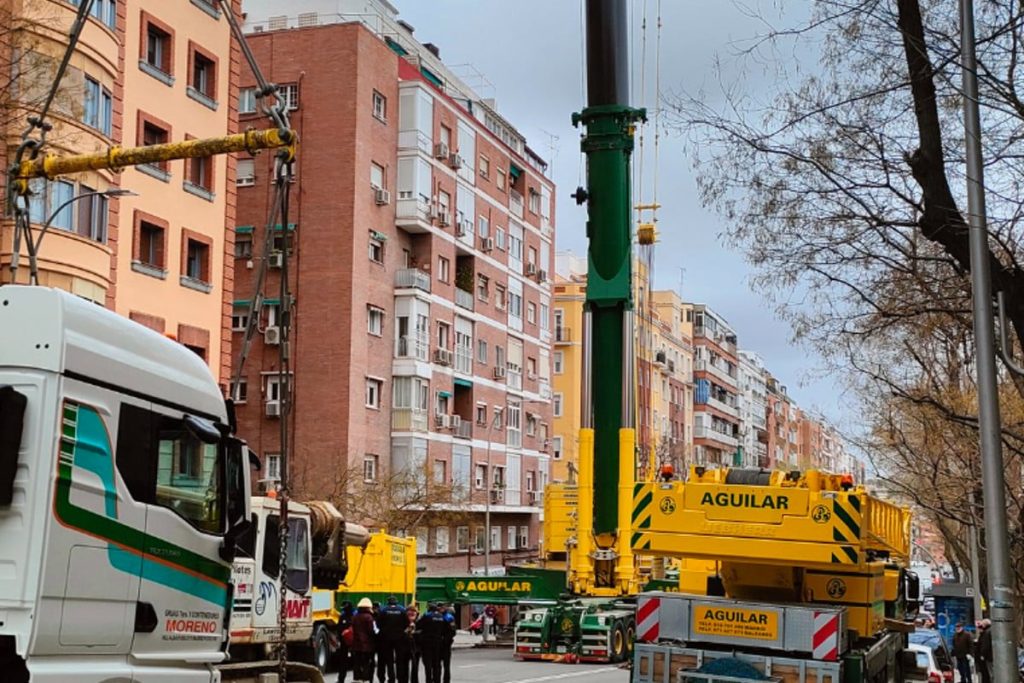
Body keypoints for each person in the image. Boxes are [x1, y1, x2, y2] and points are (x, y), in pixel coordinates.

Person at [376, 596, 408, 683]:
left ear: (388, 602)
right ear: (396, 602)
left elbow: (378, 624)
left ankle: (391, 678)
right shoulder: (402, 610)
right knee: (400, 659)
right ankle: (400, 678)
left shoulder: (384, 610)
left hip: (386, 639)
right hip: (400, 638)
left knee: (389, 660)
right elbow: (406, 623)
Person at [416, 603, 447, 683]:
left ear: (429, 608)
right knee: (436, 663)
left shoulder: (427, 616)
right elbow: (444, 630)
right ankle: (437, 680)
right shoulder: (441, 616)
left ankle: (428, 680)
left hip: (427, 642)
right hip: (438, 642)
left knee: (428, 663)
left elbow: (418, 625)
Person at [351, 598, 377, 683]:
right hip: (367, 645)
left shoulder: (355, 617)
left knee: (357, 662)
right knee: (366, 662)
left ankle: (357, 678)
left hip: (356, 644)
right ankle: (365, 679)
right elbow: (371, 631)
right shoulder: (369, 617)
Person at [335, 601, 355, 683]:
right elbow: (339, 629)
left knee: (355, 661)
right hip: (344, 643)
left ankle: (357, 679)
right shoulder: (342, 617)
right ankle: (341, 679)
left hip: (353, 643)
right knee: (343, 662)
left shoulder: (354, 616)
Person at [438, 604, 456, 683]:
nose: (441, 609)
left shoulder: (449, 617)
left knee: (446, 665)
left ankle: (446, 680)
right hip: (437, 644)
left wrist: (446, 640)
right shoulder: (436, 616)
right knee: (436, 665)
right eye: (440, 607)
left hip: (446, 644)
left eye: (443, 607)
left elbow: (453, 631)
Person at [404, 605, 421, 683]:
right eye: (410, 612)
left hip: (415, 646)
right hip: (406, 646)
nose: (411, 613)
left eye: (413, 612)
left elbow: (422, 632)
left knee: (414, 666)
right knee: (405, 666)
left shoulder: (419, 622)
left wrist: (414, 632)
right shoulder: (404, 621)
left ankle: (414, 680)